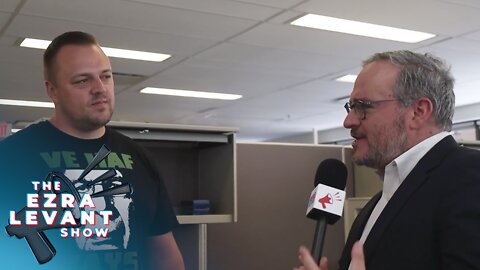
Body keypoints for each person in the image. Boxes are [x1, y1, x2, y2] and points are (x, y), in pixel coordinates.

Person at [0, 31, 185, 270]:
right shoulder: (10, 157)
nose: (99, 88)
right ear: (52, 90)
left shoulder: (138, 158)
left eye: (106, 76)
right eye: (82, 80)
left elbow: (164, 255)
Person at [295, 50, 480, 270]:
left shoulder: (470, 178)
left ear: (418, 112)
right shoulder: (379, 202)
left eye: (362, 107)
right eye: (350, 107)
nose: (348, 121)